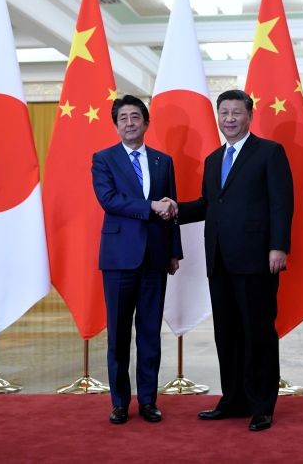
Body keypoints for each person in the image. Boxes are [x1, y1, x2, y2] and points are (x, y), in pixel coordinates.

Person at [167, 89, 293, 432]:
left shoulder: (269, 152)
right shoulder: (213, 159)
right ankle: (233, 398)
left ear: (249, 116)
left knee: (258, 333)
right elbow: (211, 204)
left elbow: (282, 203)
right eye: (224, 113)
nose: (230, 119)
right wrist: (175, 208)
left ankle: (262, 405)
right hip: (220, 260)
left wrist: (278, 247)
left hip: (257, 260)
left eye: (236, 112)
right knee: (227, 333)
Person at [91, 94, 181, 425]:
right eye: (123, 118)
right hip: (118, 260)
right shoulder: (103, 159)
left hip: (155, 259)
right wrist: (149, 207)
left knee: (149, 333)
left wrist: (174, 251)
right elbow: (109, 199)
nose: (129, 123)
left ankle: (147, 401)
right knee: (118, 335)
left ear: (146, 122)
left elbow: (171, 208)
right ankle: (119, 403)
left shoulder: (163, 161)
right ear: (116, 125)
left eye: (135, 117)